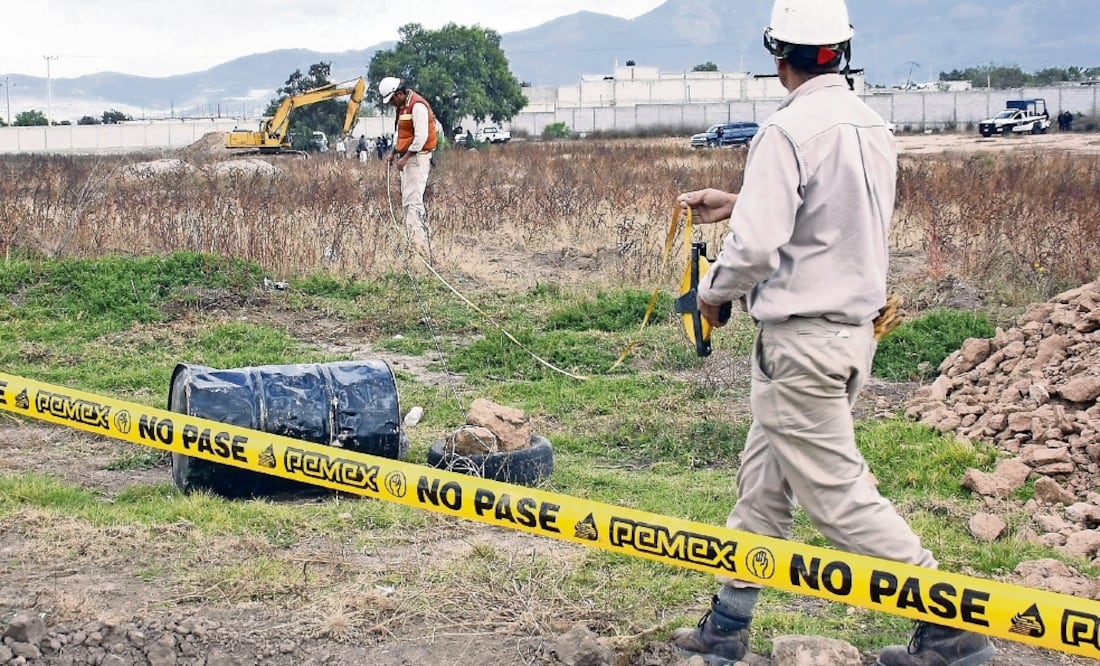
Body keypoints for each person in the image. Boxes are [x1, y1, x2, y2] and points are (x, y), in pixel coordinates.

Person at [670, 2, 996, 666]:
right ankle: (726, 626)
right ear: (841, 52)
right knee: (761, 489)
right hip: (849, 337)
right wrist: (741, 200)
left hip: (802, 347)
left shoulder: (786, 132)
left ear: (776, 53)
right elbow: (832, 211)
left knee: (839, 498)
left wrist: (710, 295)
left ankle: (950, 625)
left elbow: (757, 250)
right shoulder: (870, 124)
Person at [378, 76, 438, 248]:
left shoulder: (417, 106)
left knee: (414, 201)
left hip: (417, 159)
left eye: (392, 99)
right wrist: (393, 152)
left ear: (399, 93)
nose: (391, 103)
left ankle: (420, 244)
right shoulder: (402, 108)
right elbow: (400, 134)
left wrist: (404, 159)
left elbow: (421, 138)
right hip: (407, 158)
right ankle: (413, 239)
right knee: (407, 201)